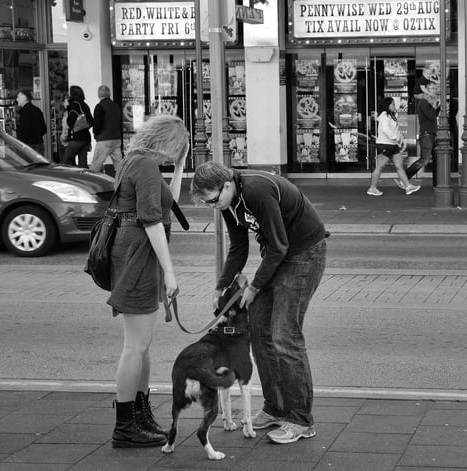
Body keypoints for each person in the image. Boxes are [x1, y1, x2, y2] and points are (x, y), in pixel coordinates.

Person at [191, 161, 327, 445]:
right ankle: (276, 408)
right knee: (260, 333)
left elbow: (280, 245)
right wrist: (221, 285)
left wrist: (253, 286)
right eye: (207, 204)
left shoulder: (257, 190)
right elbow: (239, 246)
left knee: (284, 336)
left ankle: (301, 420)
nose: (212, 206)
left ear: (226, 184)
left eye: (213, 200)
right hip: (278, 255)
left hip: (304, 253)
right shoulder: (227, 202)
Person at [108, 114, 189, 449]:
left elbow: (167, 202)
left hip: (134, 253)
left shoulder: (134, 161)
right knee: (135, 346)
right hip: (139, 255)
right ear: (167, 143)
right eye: (178, 149)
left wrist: (181, 167)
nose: (176, 155)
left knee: (142, 345)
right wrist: (170, 272)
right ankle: (125, 426)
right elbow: (152, 220)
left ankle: (139, 415)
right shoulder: (144, 167)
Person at [367, 97, 421, 196]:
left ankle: (408, 186)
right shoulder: (384, 115)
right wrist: (396, 137)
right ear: (387, 106)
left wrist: (399, 138)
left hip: (393, 145)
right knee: (380, 166)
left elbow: (394, 131)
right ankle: (372, 188)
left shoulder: (393, 115)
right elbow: (386, 129)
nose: (394, 106)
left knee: (399, 166)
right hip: (384, 144)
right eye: (392, 104)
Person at [397, 80, 440, 188]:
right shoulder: (424, 102)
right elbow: (431, 115)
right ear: (426, 90)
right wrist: (436, 105)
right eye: (433, 89)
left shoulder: (430, 102)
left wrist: (436, 106)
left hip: (432, 133)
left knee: (437, 159)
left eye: (436, 89)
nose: (435, 91)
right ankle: (404, 178)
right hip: (426, 134)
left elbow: (434, 115)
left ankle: (437, 184)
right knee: (424, 160)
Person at [89, 84, 123, 174]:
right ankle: (123, 182)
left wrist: (95, 133)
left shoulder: (100, 106)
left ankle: (93, 183)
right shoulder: (117, 106)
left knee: (96, 164)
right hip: (116, 138)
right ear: (109, 94)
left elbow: (97, 123)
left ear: (98, 95)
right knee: (119, 165)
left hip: (104, 138)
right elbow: (119, 122)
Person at [62, 85, 93, 168]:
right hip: (86, 138)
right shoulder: (84, 104)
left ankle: (69, 179)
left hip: (76, 138)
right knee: (83, 164)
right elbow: (91, 120)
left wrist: (71, 124)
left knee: (66, 160)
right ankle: (86, 179)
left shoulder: (74, 104)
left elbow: (70, 120)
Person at [15, 90, 47, 155]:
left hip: (28, 146)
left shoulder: (24, 111)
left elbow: (24, 130)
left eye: (18, 97)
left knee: (28, 165)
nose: (17, 99)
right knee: (40, 165)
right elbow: (44, 129)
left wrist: (19, 141)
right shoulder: (37, 109)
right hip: (39, 144)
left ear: (24, 97)